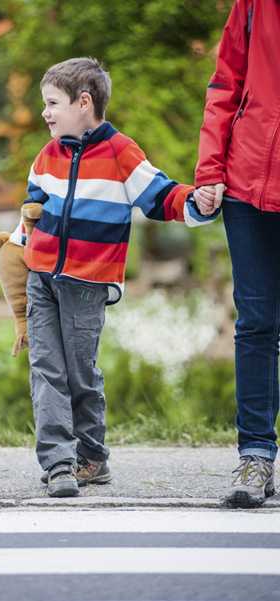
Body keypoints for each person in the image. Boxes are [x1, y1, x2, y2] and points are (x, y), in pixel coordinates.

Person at [11, 57, 217, 497]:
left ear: (83, 102)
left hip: (87, 285)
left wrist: (199, 203)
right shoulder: (47, 155)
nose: (45, 113)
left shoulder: (121, 153)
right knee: (46, 368)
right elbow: (30, 212)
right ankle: (59, 463)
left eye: (52, 103)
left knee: (80, 373)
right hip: (41, 278)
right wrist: (17, 251)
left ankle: (91, 458)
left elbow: (162, 197)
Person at [194, 0, 279, 507]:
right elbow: (225, 84)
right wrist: (210, 170)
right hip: (248, 182)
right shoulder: (252, 4)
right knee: (256, 322)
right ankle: (255, 455)